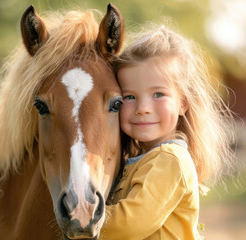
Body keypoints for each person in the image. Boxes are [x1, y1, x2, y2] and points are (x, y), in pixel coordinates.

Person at [99, 24, 235, 240]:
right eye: (129, 97)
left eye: (158, 94)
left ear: (183, 103)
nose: (143, 108)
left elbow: (130, 224)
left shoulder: (170, 159)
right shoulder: (140, 159)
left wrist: (82, 220)